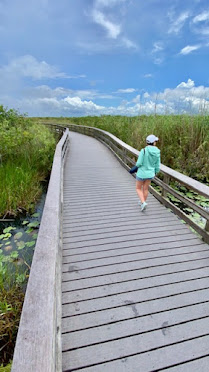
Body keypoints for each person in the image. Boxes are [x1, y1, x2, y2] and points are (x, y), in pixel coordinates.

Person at [135, 134, 161, 211]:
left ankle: (143, 202)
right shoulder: (157, 152)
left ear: (147, 142)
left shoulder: (144, 150)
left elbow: (139, 163)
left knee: (138, 188)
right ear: (154, 143)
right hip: (150, 174)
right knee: (145, 189)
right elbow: (157, 165)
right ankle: (143, 201)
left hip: (142, 173)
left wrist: (136, 166)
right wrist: (156, 172)